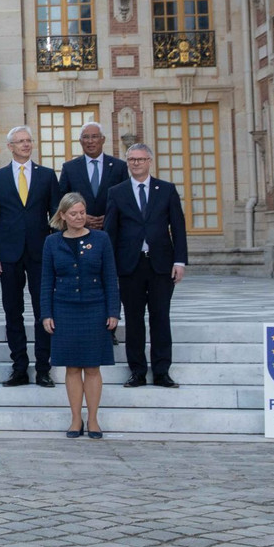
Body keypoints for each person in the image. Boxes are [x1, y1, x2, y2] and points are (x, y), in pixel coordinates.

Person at [103, 143, 188, 389]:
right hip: (130, 266)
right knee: (134, 319)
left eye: (140, 159)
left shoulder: (167, 190)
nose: (136, 163)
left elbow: (178, 228)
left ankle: (162, 371)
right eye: (131, 159)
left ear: (150, 161)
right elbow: (111, 232)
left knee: (161, 318)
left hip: (161, 265)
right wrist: (110, 267)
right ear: (127, 162)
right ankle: (137, 371)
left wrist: (179, 261)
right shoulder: (117, 192)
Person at [41, 192, 121, 438]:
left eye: (82, 212)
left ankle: (94, 420)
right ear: (63, 216)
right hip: (64, 310)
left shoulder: (101, 239)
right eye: (73, 213)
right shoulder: (51, 242)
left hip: (95, 309)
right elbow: (46, 281)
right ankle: (76, 419)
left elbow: (110, 277)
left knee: (93, 367)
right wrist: (46, 314)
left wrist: (113, 311)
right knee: (73, 368)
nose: (79, 217)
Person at [0, 125, 59, 388]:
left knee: (43, 310)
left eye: (29, 141)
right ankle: (19, 367)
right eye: (20, 141)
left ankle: (43, 368)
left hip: (41, 254)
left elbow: (56, 218)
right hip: (8, 255)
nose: (26, 145)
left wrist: (56, 251)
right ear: (10, 147)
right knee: (12, 312)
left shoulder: (48, 176)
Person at [58, 121, 128, 229]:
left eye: (95, 137)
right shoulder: (69, 168)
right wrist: (80, 217)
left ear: (103, 139)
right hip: (79, 230)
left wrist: (110, 217)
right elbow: (62, 200)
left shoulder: (119, 167)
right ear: (80, 141)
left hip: (111, 230)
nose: (90, 141)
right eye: (86, 137)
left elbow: (125, 199)